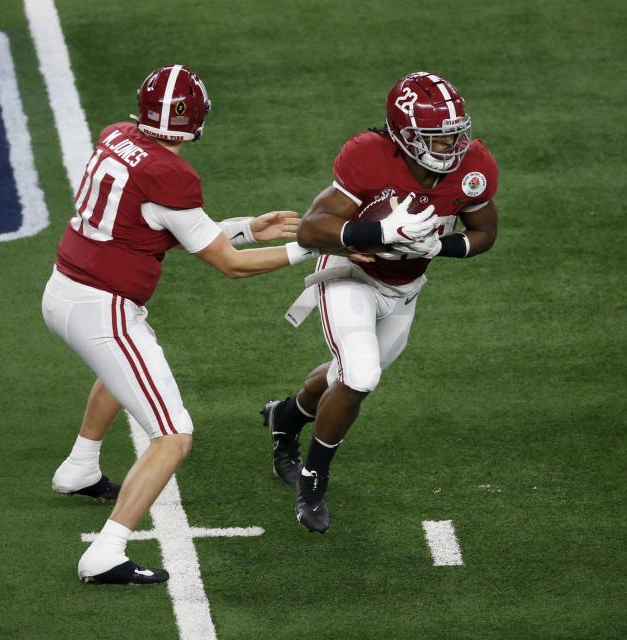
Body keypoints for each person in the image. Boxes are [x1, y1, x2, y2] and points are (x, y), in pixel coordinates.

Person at [42, 64, 317, 583]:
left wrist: (247, 229)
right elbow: (227, 265)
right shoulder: (171, 174)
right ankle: (106, 552)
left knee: (124, 366)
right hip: (101, 306)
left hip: (64, 291)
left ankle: (79, 466)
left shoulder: (117, 137)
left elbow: (161, 222)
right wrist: (306, 247)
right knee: (173, 434)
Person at [262, 71, 499, 533]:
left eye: (454, 134)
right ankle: (313, 480)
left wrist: (438, 248)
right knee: (361, 376)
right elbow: (312, 228)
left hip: (405, 289)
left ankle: (284, 416)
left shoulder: (474, 165)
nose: (451, 145)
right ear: (403, 134)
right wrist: (379, 233)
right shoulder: (369, 155)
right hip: (350, 274)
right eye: (437, 137)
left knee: (341, 378)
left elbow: (485, 232)